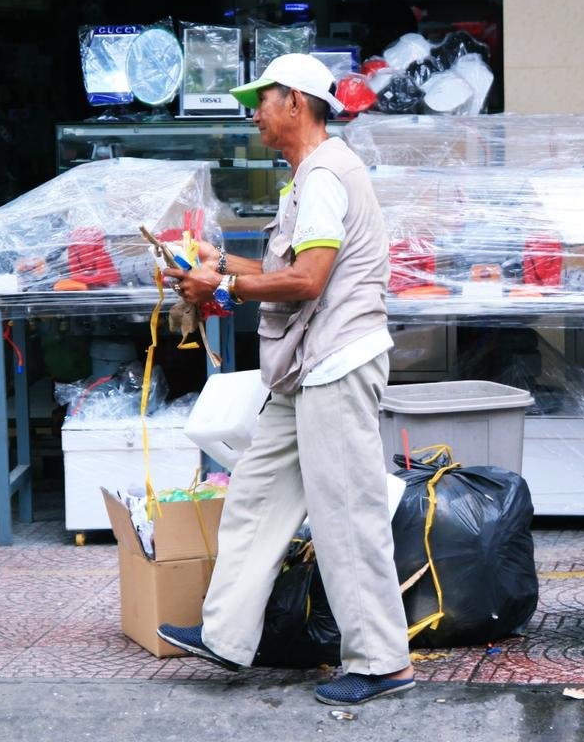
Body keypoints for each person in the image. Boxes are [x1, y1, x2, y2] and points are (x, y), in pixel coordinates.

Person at [156, 53, 415, 706]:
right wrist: (216, 260)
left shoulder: (326, 177)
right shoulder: (308, 178)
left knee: (346, 516)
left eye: (263, 101)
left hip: (335, 364)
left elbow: (308, 280)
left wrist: (224, 284)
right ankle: (227, 634)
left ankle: (383, 662)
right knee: (256, 495)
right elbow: (291, 263)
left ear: (296, 102)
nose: (255, 115)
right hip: (304, 368)